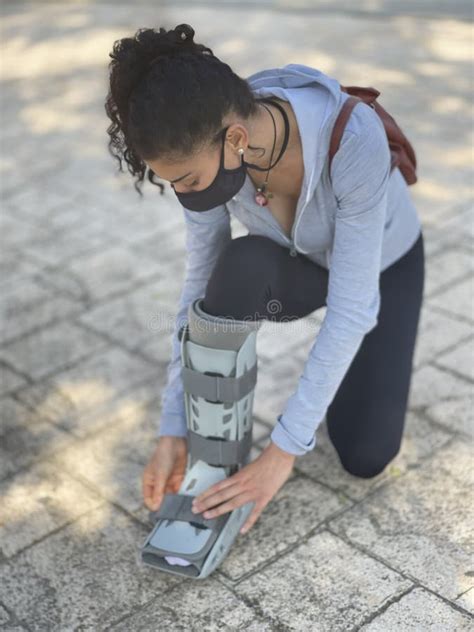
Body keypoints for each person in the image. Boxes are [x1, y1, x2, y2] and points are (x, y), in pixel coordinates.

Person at [105, 23, 424, 536]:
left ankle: (329, 402)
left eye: (188, 179)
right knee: (239, 268)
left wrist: (282, 451)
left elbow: (353, 307)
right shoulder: (209, 142)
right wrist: (173, 426)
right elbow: (198, 287)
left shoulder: (353, 138)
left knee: (366, 454)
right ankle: (218, 455)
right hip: (292, 265)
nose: (186, 194)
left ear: (235, 138)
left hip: (382, 267)